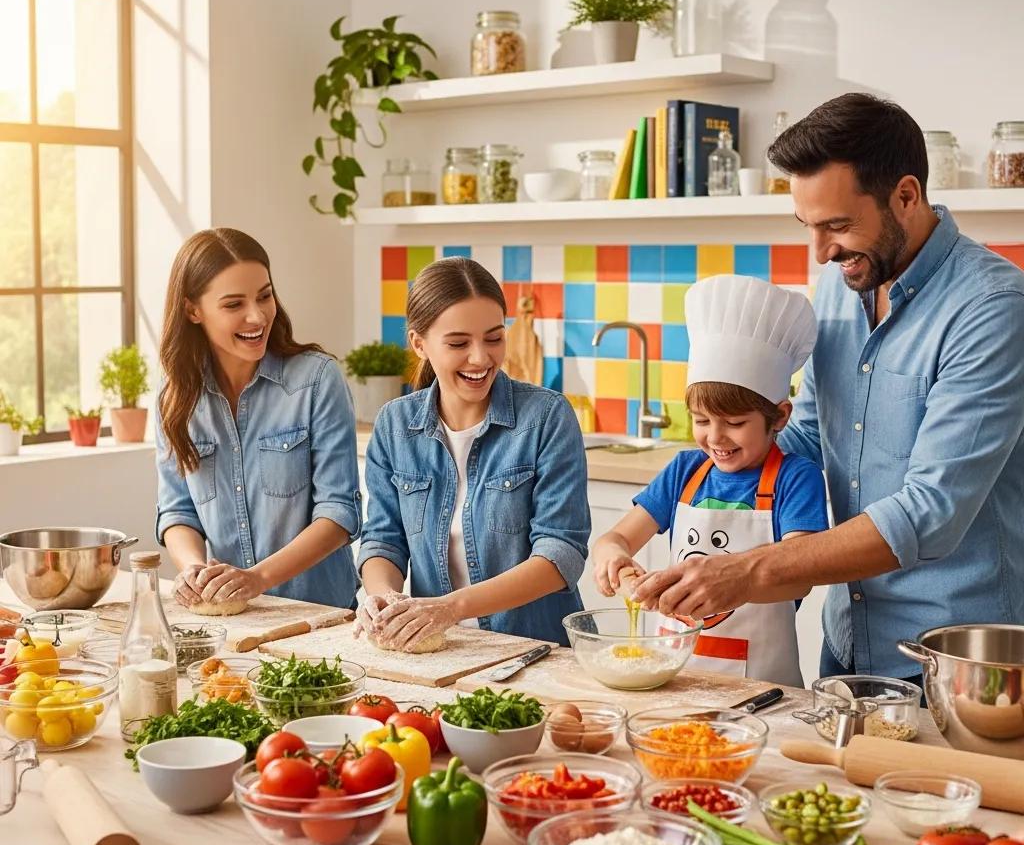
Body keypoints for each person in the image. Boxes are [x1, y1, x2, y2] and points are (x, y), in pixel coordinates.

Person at [635, 93, 1024, 681]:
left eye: (838, 225)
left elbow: (930, 513)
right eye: (809, 227)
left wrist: (748, 571)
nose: (821, 251)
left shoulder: (992, 308)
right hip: (846, 639)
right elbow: (808, 436)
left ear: (907, 195)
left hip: (953, 658)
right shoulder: (840, 286)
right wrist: (701, 474)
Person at [592, 275, 826, 686]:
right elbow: (614, 539)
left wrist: (733, 580)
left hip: (764, 687)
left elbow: (799, 576)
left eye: (735, 423)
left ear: (781, 416)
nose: (715, 438)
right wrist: (615, 563)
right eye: (701, 421)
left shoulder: (795, 477)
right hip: (674, 675)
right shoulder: (686, 471)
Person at [355, 256, 590, 651]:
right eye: (459, 343)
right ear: (419, 343)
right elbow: (383, 540)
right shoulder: (395, 425)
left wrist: (450, 608)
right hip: (442, 651)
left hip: (534, 649)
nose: (481, 358)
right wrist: (382, 597)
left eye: (494, 338)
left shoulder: (546, 417)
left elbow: (560, 554)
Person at [155, 228, 361, 609]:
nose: (257, 315)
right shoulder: (175, 396)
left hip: (320, 615)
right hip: (234, 618)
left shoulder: (315, 380)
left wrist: (258, 579)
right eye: (234, 305)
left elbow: (339, 514)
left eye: (264, 296)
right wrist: (194, 571)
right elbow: (177, 510)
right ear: (192, 310)